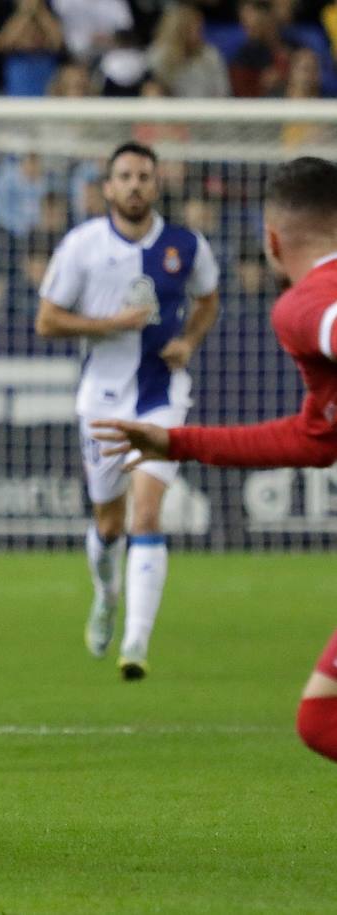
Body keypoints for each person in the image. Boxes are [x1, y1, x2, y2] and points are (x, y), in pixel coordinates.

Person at [91, 156, 337, 764]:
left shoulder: (307, 305)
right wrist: (178, 443)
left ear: (273, 241)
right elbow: (312, 438)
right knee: (319, 717)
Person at [35, 141, 220, 679]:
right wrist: (109, 324)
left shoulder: (186, 245)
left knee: (146, 514)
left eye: (144, 175)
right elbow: (47, 321)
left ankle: (136, 644)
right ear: (108, 187)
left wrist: (189, 341)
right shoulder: (82, 245)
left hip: (163, 397)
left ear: (156, 184)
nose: (135, 184)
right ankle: (107, 593)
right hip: (102, 400)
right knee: (109, 523)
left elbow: (209, 299)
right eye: (125, 176)